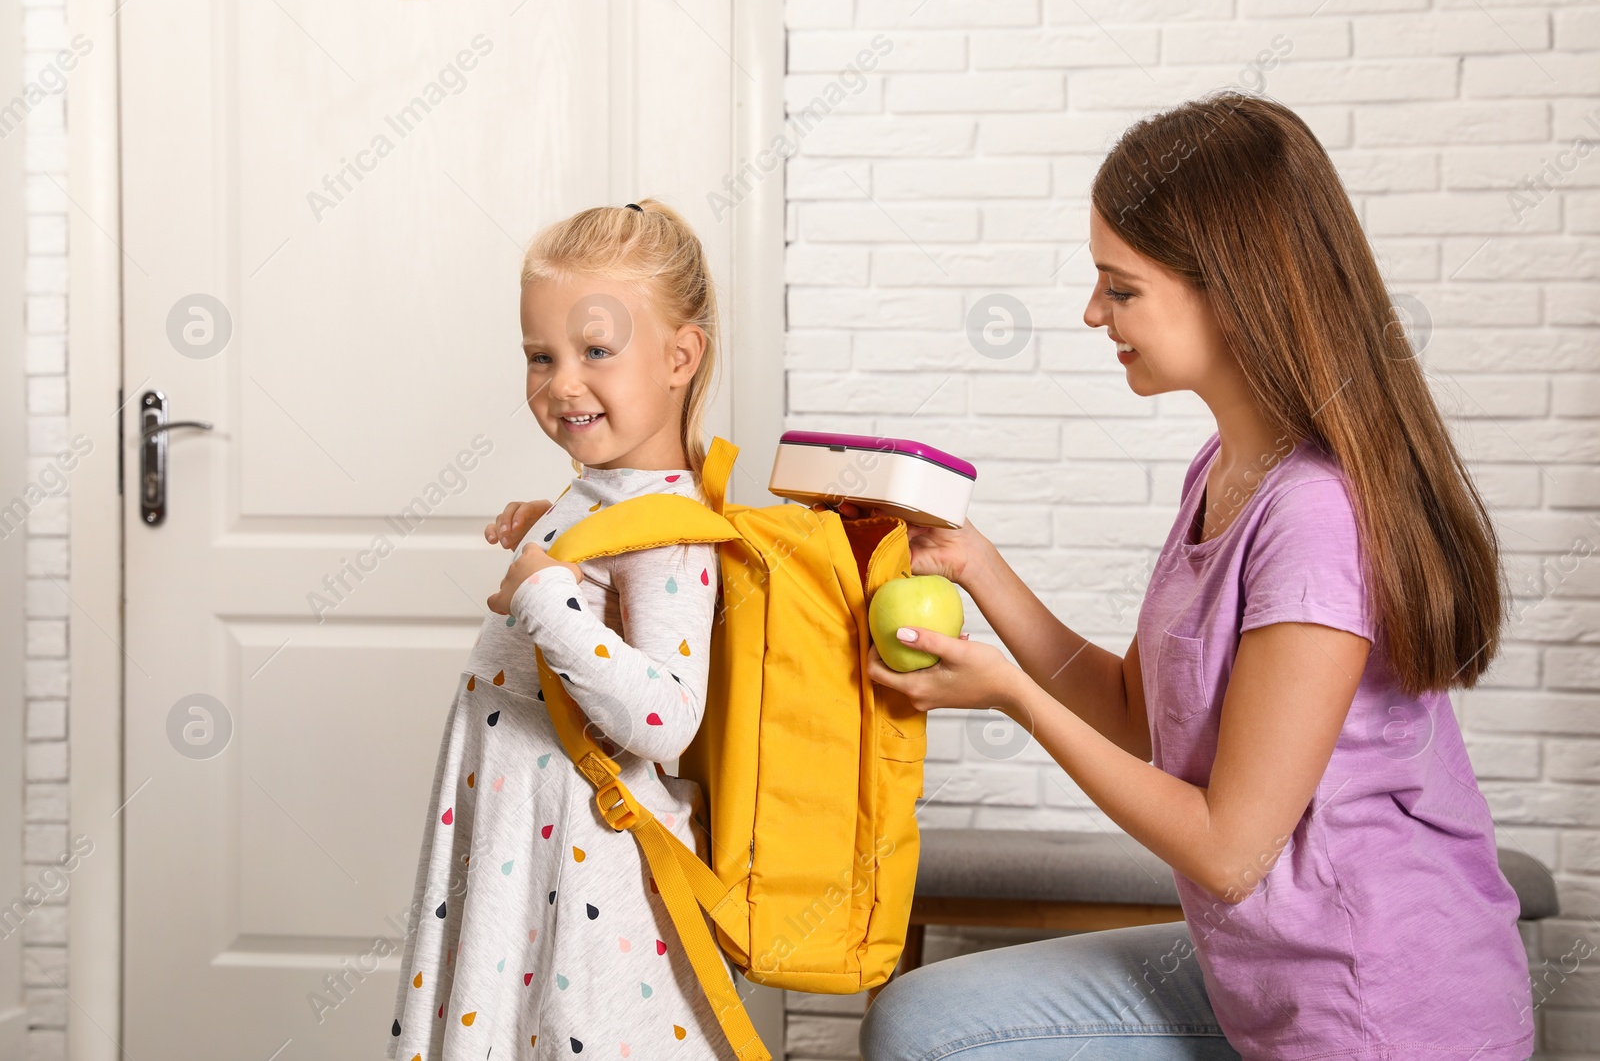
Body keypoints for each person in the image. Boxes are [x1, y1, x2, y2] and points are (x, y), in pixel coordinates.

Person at [846, 93, 1534, 1061]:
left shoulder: (1314, 518)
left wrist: (1008, 696)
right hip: (1262, 982)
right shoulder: (1221, 470)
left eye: (1118, 288)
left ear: (1228, 290)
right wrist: (980, 570)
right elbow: (1137, 708)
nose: (1093, 313)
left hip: (1381, 1013)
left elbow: (1227, 848)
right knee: (923, 1022)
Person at [387, 198, 741, 1061]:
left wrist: (548, 597)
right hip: (520, 840)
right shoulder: (610, 493)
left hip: (580, 862)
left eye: (594, 353)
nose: (561, 383)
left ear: (679, 357)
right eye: (540, 357)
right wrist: (560, 528)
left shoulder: (671, 527)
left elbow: (665, 717)